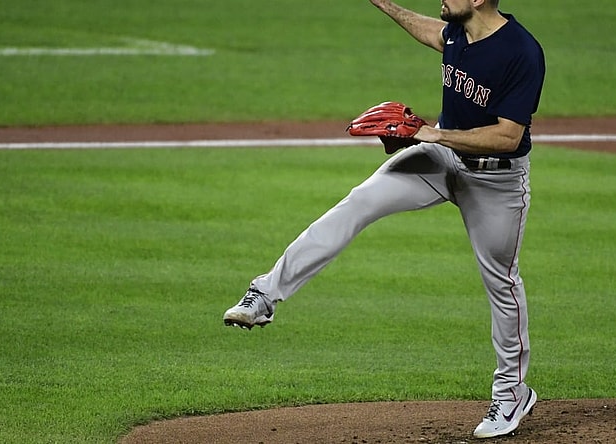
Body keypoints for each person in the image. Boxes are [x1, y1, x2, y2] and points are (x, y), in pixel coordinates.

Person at [224, 0, 545, 439]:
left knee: (502, 282)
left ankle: (512, 392)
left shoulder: (522, 52)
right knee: (358, 203)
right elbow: (431, 31)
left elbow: (508, 136)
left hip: (496, 183)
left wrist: (430, 132)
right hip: (441, 161)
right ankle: (264, 295)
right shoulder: (457, 32)